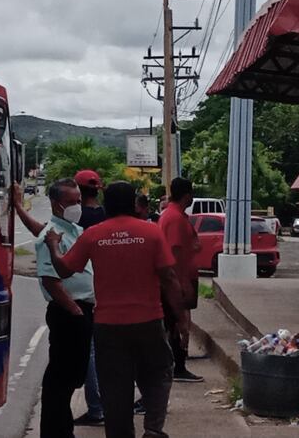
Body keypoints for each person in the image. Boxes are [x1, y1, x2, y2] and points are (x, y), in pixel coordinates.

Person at [44, 181, 186, 438]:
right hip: (149, 322)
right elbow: (169, 278)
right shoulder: (152, 233)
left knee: (114, 387)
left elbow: (64, 269)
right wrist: (180, 318)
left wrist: (54, 246)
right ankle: (153, 429)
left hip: (108, 327)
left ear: (106, 205)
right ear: (134, 204)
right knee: (158, 375)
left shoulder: (93, 234)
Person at [13, 179, 95, 437]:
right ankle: (56, 432)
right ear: (56, 204)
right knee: (62, 379)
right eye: (72, 202)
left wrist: (17, 207)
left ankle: (61, 429)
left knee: (71, 377)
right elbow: (50, 278)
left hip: (80, 310)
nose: (77, 206)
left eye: (79, 201)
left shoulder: (69, 229)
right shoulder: (52, 235)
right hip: (69, 313)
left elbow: (40, 229)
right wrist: (75, 311)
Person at [158, 177, 203, 383]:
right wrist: (180, 286)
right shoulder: (174, 218)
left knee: (177, 323)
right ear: (187, 195)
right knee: (178, 323)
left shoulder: (173, 215)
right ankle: (178, 365)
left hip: (181, 279)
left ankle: (176, 364)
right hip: (178, 281)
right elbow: (173, 256)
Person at [72, 169, 107, 424]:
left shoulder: (76, 220)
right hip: (109, 290)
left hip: (84, 292)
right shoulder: (107, 217)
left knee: (91, 352)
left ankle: (96, 409)